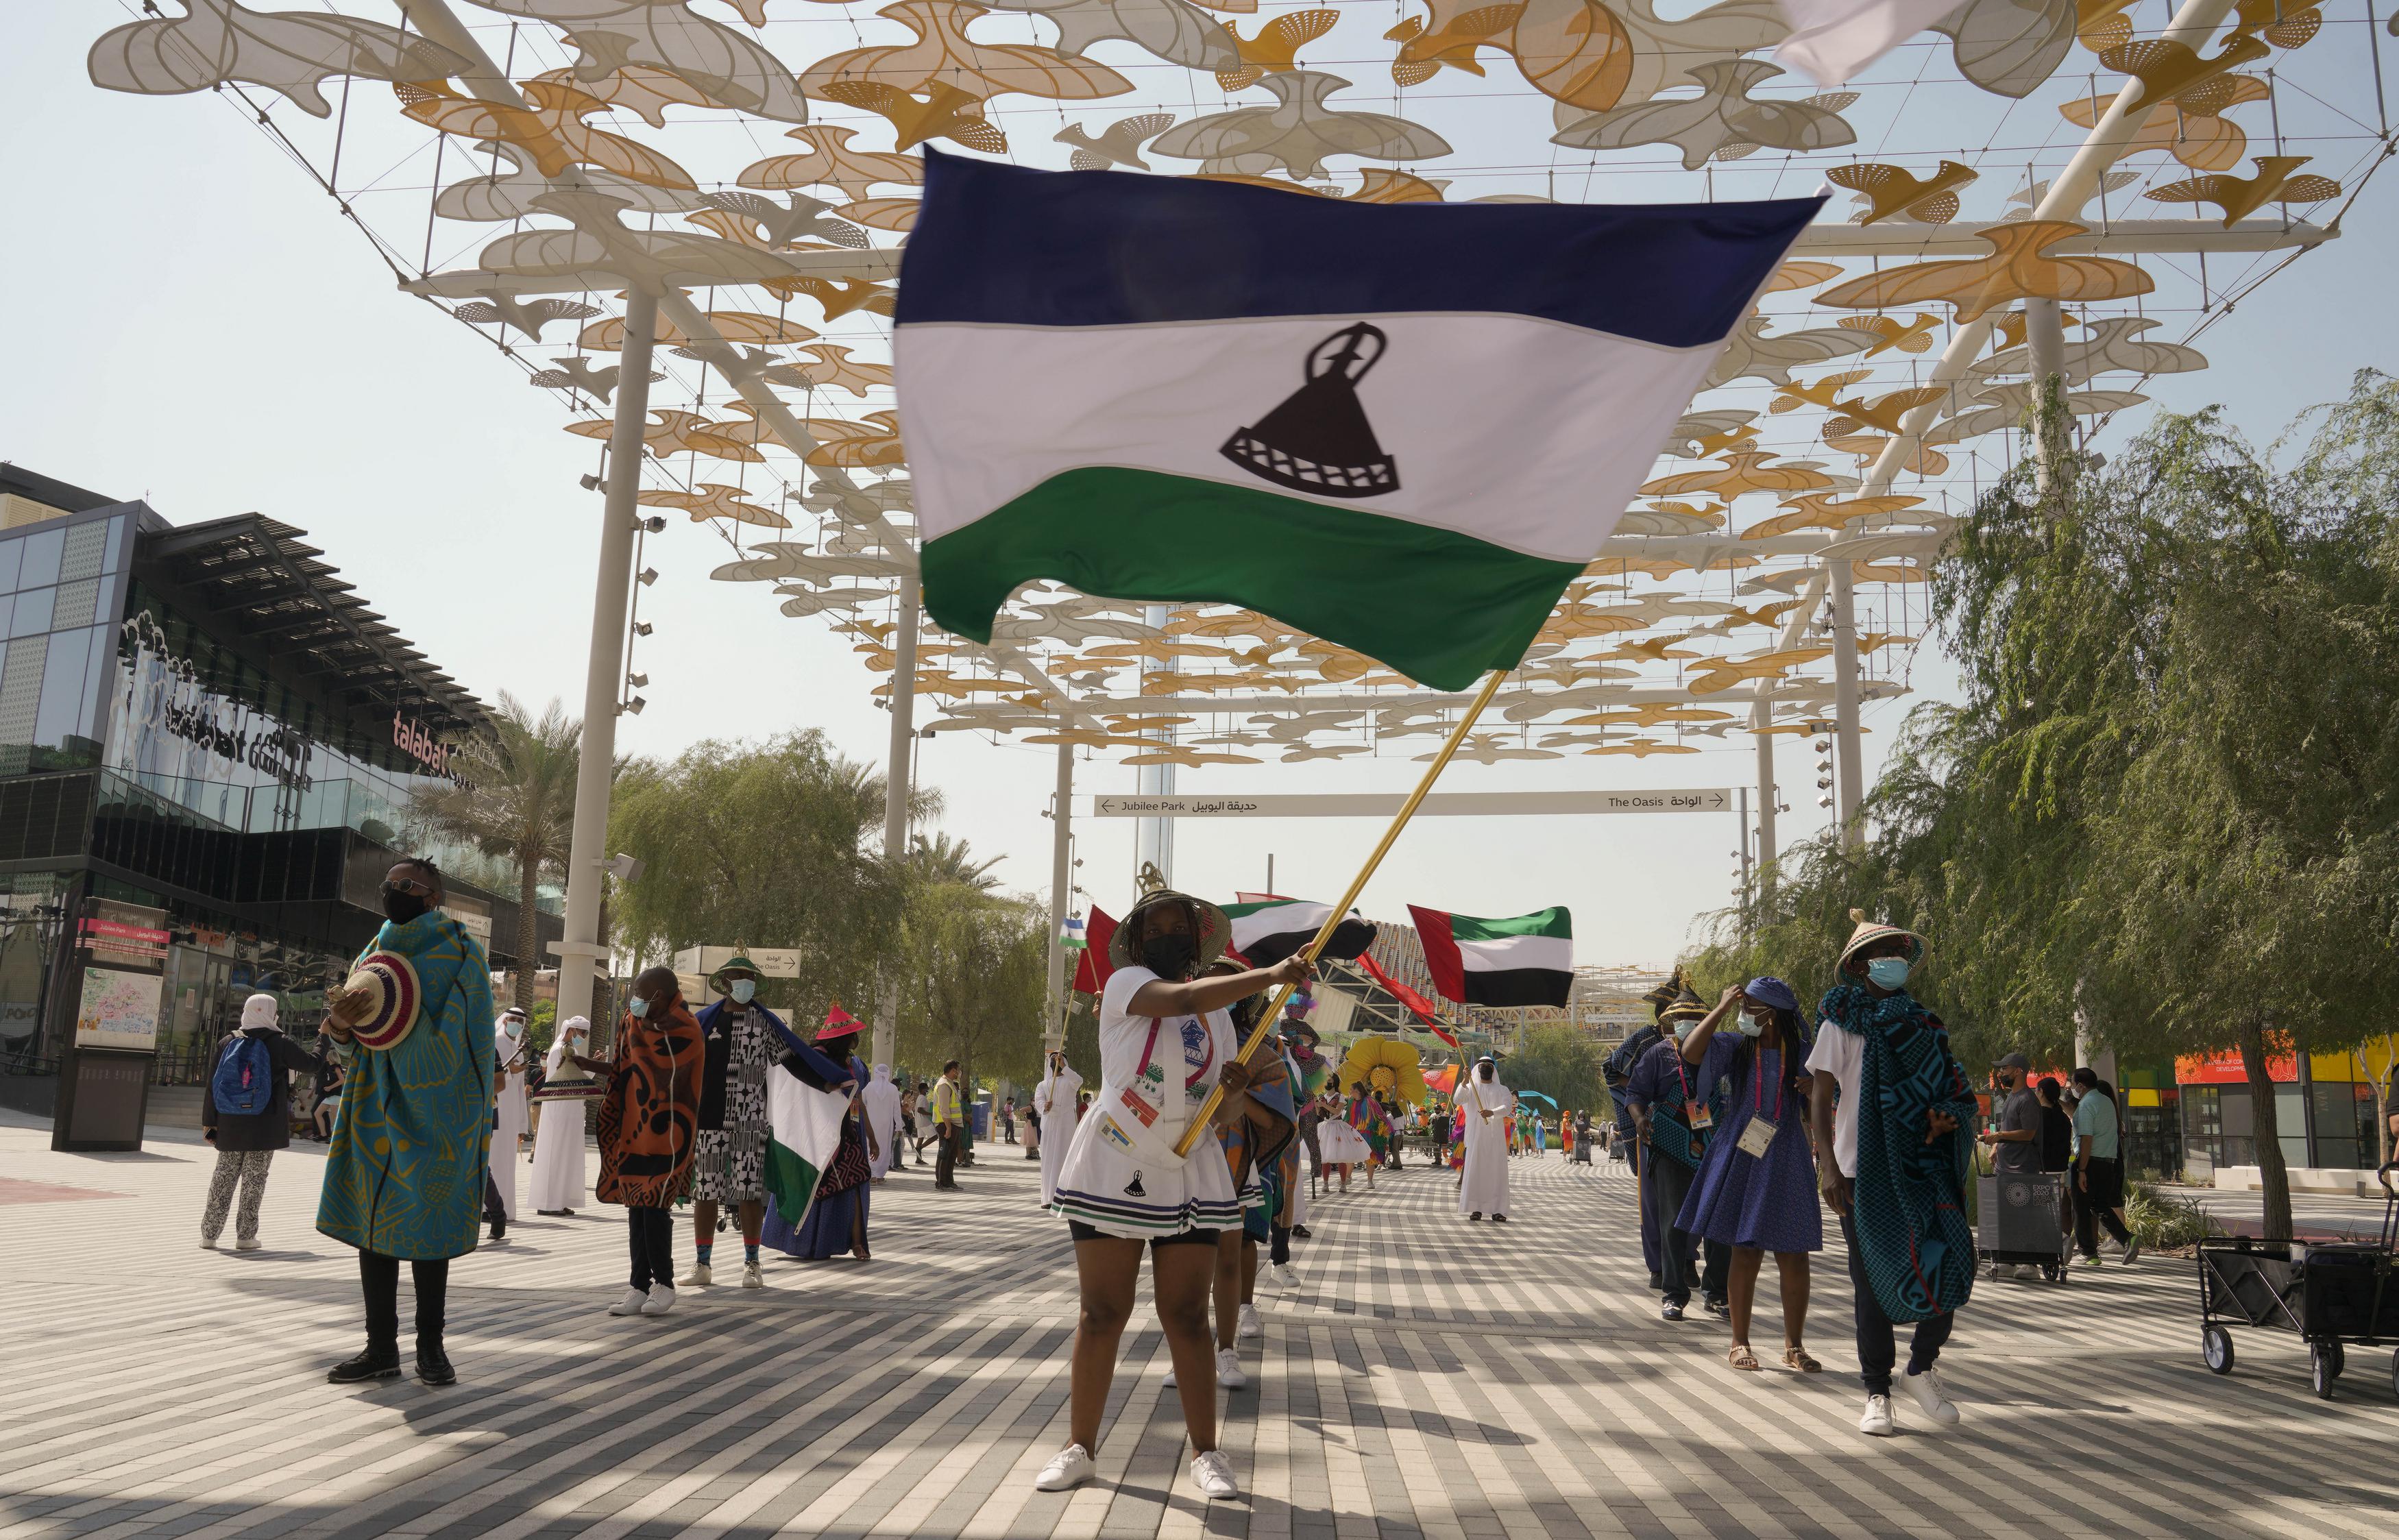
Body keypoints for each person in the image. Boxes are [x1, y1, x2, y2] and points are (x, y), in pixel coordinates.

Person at [1035, 890, 1309, 1501]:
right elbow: (1182, 996)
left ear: (1195, 937)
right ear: (1137, 942)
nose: (1166, 936)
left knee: (1187, 1317)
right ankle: (1080, 1446)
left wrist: (1233, 1091)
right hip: (1114, 1160)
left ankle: (1207, 1454)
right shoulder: (1127, 984)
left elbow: (1218, 1113)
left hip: (1187, 1170)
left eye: (1176, 927)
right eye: (1155, 928)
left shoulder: (1216, 1018)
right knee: (1101, 1313)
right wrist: (1274, 973)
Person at [317, 858, 496, 1386]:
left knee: (428, 1229)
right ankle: (380, 1348)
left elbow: (468, 1037)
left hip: (438, 1112)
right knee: (375, 1228)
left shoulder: (462, 951)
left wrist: (405, 1042)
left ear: (433, 895)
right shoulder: (375, 949)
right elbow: (358, 1039)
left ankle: (431, 1348)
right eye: (389, 884)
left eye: (406, 885)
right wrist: (342, 1027)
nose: (393, 891)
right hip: (374, 1105)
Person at [1809, 909, 1977, 1437]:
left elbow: (1951, 1091)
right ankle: (1877, 1391)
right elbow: (1818, 1098)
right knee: (1871, 1285)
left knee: (1951, 1263)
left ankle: (1920, 1367)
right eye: (1885, 955)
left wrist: (1946, 1116)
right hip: (1859, 1172)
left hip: (1922, 1166)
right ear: (1860, 966)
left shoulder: (1925, 1025)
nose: (1896, 962)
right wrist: (1827, 1165)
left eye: (1901, 953)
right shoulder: (1840, 1021)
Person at [1676, 979, 1820, 1372]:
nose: (1743, 1013)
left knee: (1794, 1253)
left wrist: (1816, 1087)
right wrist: (1720, 1008)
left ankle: (1795, 1346)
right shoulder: (1735, 1047)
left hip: (1788, 1152)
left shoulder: (1804, 1053)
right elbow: (1690, 1052)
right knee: (1747, 1248)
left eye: (1748, 1006)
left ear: (1770, 1013)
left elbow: (1829, 1097)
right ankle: (1739, 1342)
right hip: (1742, 1150)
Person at [563, 966, 702, 1317]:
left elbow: (684, 1081)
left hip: (669, 1133)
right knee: (636, 1208)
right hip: (633, 1130)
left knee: (655, 1207)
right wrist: (588, 1064)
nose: (635, 1001)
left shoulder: (687, 1029)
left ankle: (665, 1284)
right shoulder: (632, 1022)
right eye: (634, 994)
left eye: (643, 995)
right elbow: (627, 1069)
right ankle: (638, 1286)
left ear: (663, 996)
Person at [681, 955, 795, 1289]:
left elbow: (791, 1060)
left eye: (751, 977)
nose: (746, 983)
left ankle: (752, 1264)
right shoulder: (704, 1022)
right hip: (709, 1117)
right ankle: (703, 1264)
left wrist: (828, 1080)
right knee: (706, 1191)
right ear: (726, 981)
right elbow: (683, 1063)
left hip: (750, 1118)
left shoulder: (766, 1023)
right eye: (739, 976)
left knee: (749, 1190)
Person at [1629, 993, 1727, 1321]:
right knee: (1672, 1221)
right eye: (1681, 1017)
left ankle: (1717, 1293)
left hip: (1715, 1144)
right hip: (1669, 1145)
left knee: (1717, 1222)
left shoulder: (1722, 1051)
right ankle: (1674, 1293)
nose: (1687, 1023)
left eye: (1695, 1017)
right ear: (1670, 1023)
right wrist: (1641, 1118)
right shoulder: (1658, 1054)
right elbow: (1635, 1094)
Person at [199, 992, 319, 1251]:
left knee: (223, 1177)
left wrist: (210, 1123)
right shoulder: (279, 1042)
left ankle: (209, 1235)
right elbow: (312, 1064)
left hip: (231, 1122)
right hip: (264, 1123)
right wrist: (325, 1037)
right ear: (271, 1013)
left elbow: (212, 1084)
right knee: (255, 1180)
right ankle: (245, 1236)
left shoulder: (228, 1041)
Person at [765, 1010, 877, 1260]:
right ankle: (802, 1242)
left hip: (848, 1132)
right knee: (812, 1183)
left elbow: (858, 1099)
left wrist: (871, 1135)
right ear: (842, 1038)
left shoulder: (854, 1064)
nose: (855, 1041)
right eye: (853, 1036)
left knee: (856, 1180)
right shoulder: (813, 1058)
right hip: (815, 1133)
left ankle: (858, 1242)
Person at [1977, 1052, 2045, 1280]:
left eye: (2004, 1069)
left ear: (2018, 1071)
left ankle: (2031, 1265)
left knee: (2022, 1215)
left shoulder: (2027, 1099)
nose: (2000, 1073)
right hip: (2006, 1165)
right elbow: (2010, 1129)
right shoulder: (2012, 1097)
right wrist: (1997, 1146)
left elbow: (2028, 1133)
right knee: (2005, 1215)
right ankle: (2007, 1260)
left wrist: (1999, 1137)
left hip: (2022, 1166)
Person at [2071, 1067, 2139, 1267]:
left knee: (2081, 1207)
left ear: (2081, 1086)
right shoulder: (2107, 1101)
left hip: (2089, 1161)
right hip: (2108, 1163)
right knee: (2099, 1204)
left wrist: (2081, 1170)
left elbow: (2086, 1138)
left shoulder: (2086, 1105)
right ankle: (2127, 1239)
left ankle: (2088, 1253)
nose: (2072, 1087)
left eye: (2073, 1084)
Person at [529, 1016, 593, 1215]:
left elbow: (577, 1077)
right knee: (555, 1153)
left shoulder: (571, 1049)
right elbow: (563, 1078)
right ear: (573, 1030)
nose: (583, 1037)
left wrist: (591, 1066)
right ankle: (549, 1203)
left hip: (570, 1107)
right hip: (558, 1107)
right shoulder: (558, 1050)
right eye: (583, 1033)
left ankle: (561, 1199)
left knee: (566, 1154)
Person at [485, 1005, 531, 1243]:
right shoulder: (494, 1043)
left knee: (501, 1162)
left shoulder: (518, 1051)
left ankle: (498, 1211)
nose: (515, 1024)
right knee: (489, 1162)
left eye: (519, 1021)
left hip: (508, 1113)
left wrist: (522, 1124)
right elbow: (495, 1080)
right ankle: (491, 1211)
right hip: (493, 1108)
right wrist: (509, 1072)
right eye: (511, 1019)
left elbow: (517, 1089)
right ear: (504, 1021)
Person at [1457, 1057, 1514, 1221]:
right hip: (1476, 1137)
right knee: (1477, 1171)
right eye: (1483, 1065)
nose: (1486, 1067)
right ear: (1479, 1068)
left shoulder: (1502, 1089)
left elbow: (1507, 1107)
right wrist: (1465, 1080)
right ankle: (1476, 1209)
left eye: (1489, 1065)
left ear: (1493, 1069)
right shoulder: (1471, 1088)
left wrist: (1492, 1112)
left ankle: (1498, 1210)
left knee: (1496, 1172)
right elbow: (1458, 1100)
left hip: (1495, 1139)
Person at [1033, 1049, 1082, 1206]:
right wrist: (1045, 1106)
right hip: (1049, 1123)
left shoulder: (1070, 1081)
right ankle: (1048, 1198)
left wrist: (1065, 1068)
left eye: (1060, 1059)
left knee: (1064, 1157)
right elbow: (1039, 1102)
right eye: (1054, 1059)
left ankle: (1063, 1197)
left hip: (1066, 1123)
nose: (1057, 1061)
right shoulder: (1042, 1085)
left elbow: (1079, 1081)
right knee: (1048, 1159)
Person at [863, 1063, 904, 1182]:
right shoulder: (893, 1089)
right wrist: (899, 1127)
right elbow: (897, 1109)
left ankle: (872, 1174)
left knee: (870, 1145)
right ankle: (880, 1175)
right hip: (887, 1124)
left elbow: (862, 1103)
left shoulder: (869, 1087)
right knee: (884, 1148)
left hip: (871, 1122)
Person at [931, 1060, 966, 1189]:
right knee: (944, 1153)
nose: (959, 1072)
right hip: (946, 1124)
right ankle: (941, 1182)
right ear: (953, 1071)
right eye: (958, 1069)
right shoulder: (944, 1085)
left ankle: (949, 1181)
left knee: (952, 1155)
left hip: (954, 1124)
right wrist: (949, 1128)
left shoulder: (950, 1084)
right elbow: (944, 1108)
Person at [311, 1054, 344, 1140]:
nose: (326, 1057)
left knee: (334, 1117)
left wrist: (330, 1087)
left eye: (328, 1056)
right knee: (317, 1113)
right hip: (329, 1096)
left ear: (331, 1057)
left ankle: (334, 1136)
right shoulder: (327, 1067)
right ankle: (323, 1134)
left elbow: (342, 1080)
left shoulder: (336, 1068)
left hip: (335, 1095)